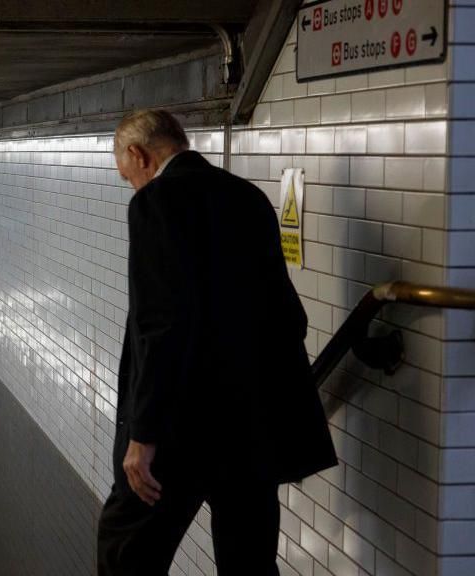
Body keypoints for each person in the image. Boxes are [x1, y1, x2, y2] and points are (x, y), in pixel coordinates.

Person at [97, 109, 337, 575]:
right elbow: (289, 314)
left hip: (179, 427)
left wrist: (143, 435)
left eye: (128, 177)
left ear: (137, 154)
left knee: (125, 549)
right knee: (248, 560)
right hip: (252, 422)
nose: (133, 186)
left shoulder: (156, 202)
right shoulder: (247, 197)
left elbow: (160, 323)